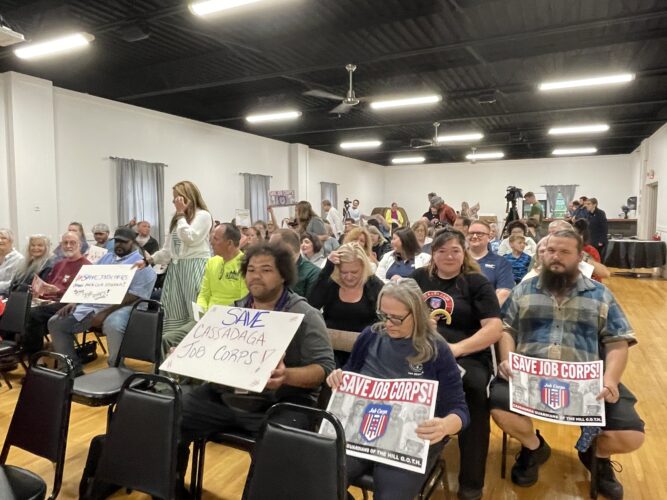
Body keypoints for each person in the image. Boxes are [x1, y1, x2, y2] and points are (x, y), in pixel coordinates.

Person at [490, 230, 645, 499]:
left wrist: (610, 379)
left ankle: (596, 455)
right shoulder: (524, 289)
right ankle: (534, 447)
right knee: (497, 405)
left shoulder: (600, 294)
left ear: (579, 256)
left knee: (632, 435)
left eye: (564, 252)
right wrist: (506, 359)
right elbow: (506, 328)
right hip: (530, 377)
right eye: (550, 251)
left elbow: (618, 340)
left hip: (587, 381)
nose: (555, 257)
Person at [177, 242, 335, 491]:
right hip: (226, 398)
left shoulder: (306, 315)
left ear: (283, 275)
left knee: (278, 443)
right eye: (251, 270)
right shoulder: (234, 312)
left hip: (282, 403)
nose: (256, 276)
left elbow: (323, 369)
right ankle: (169, 488)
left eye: (266, 270)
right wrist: (189, 356)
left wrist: (286, 376)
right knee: (171, 413)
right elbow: (215, 355)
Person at [327, 278, 469, 500]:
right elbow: (350, 373)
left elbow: (460, 410)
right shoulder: (370, 336)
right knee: (319, 482)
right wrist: (339, 378)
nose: (388, 323)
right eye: (383, 315)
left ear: (417, 314)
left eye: (397, 318)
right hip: (359, 433)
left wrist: (444, 426)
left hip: (407, 440)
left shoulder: (436, 349)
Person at [412, 229, 503, 500]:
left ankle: (471, 482)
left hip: (467, 355)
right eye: (442, 251)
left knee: (472, 389)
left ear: (464, 253)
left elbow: (494, 328)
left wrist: (456, 349)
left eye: (455, 251)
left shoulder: (476, 282)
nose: (449, 256)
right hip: (424, 352)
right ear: (433, 254)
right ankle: (410, 463)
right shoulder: (418, 279)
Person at [48, 228, 157, 374]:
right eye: (117, 241)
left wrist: (105, 312)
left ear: (133, 243)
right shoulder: (107, 258)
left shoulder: (141, 264)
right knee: (56, 322)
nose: (119, 245)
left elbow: (135, 295)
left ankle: (116, 367)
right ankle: (71, 368)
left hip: (127, 305)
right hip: (98, 301)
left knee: (113, 323)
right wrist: (75, 301)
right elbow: (89, 280)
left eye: (124, 242)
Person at [161, 223, 248, 359]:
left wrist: (217, 318)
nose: (211, 242)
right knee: (166, 339)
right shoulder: (212, 262)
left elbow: (243, 302)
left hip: (228, 323)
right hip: (205, 319)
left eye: (216, 239)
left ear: (229, 243)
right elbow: (204, 293)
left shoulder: (245, 265)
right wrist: (201, 314)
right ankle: (163, 374)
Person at [149, 181, 212, 335]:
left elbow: (190, 238)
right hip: (177, 270)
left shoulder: (203, 215)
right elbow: (168, 251)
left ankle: (198, 340)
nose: (175, 202)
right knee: (174, 310)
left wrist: (181, 215)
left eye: (178, 198)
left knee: (195, 309)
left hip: (194, 267)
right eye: (174, 198)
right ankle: (175, 344)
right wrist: (149, 260)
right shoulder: (177, 218)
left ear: (188, 197)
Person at [21, 232, 89, 355]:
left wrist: (57, 291)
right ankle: (16, 350)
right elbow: (48, 286)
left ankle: (35, 357)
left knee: (32, 314)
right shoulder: (59, 264)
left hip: (67, 303)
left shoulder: (86, 266)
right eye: (65, 243)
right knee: (16, 308)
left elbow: (81, 294)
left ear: (80, 245)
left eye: (72, 243)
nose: (68, 246)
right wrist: (39, 291)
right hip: (49, 301)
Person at [308, 243, 383, 333]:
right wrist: (326, 271)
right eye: (344, 272)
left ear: (363, 267)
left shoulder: (374, 285)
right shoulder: (331, 283)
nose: (349, 277)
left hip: (364, 339)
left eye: (354, 272)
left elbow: (383, 319)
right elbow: (312, 306)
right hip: (331, 338)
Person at [466, 221, 515, 306]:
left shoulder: (502, 263)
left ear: (489, 237)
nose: (474, 236)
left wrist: (484, 311)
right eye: (471, 233)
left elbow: (503, 293)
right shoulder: (457, 260)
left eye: (479, 233)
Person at [270, 228, 319, 298]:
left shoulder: (313, 273)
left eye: (273, 247)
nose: (268, 251)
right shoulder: (270, 269)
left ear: (288, 248)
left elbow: (311, 304)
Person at [0, 228, 24, 296]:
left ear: (11, 241)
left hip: (8, 297)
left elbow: (14, 283)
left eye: (3, 238)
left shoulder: (19, 259)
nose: (0, 240)